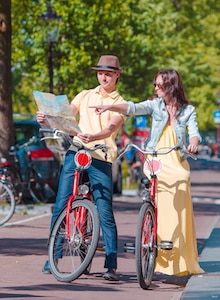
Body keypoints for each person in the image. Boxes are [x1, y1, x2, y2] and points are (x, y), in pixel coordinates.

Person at [91, 69, 204, 276]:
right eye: (155, 85)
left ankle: (175, 256)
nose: (155, 89)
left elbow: (194, 133)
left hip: (176, 158)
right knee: (154, 197)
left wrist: (194, 144)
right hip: (154, 156)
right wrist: (109, 105)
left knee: (181, 183)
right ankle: (149, 227)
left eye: (159, 85)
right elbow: (133, 108)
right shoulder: (155, 105)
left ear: (171, 86)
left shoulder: (188, 110)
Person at [37, 55, 126, 281]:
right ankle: (53, 257)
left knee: (104, 210)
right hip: (76, 150)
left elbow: (111, 127)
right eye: (100, 72)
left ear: (117, 75)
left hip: (100, 155)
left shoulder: (120, 102)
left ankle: (111, 265)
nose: (103, 77)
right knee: (61, 204)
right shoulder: (85, 95)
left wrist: (94, 135)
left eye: (108, 73)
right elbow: (66, 116)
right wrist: (46, 119)